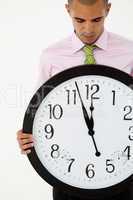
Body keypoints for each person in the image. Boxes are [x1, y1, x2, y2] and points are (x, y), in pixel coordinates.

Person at [17, 0, 133, 199]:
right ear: (67, 10)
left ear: (108, 9)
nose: (88, 29)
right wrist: (28, 132)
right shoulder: (52, 56)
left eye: (97, 19)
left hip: (120, 165)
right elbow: (40, 108)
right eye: (79, 20)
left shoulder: (129, 52)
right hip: (68, 167)